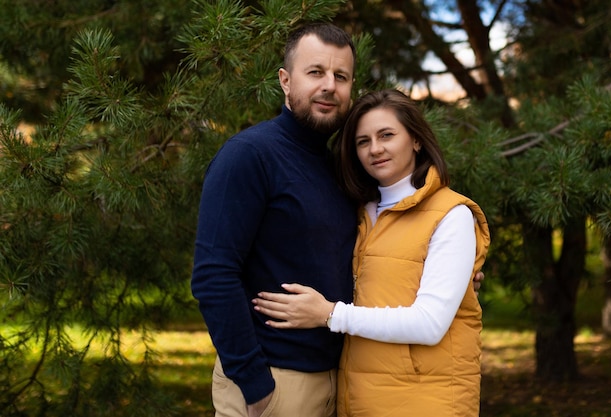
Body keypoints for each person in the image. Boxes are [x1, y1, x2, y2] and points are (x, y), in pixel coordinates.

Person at [191, 23, 484, 417]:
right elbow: (213, 274)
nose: (329, 85)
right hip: (274, 382)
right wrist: (254, 383)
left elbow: (375, 264)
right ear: (285, 80)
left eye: (340, 76)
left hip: (342, 382)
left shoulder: (343, 176)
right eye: (315, 72)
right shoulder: (249, 155)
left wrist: (457, 277)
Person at [252, 89, 490, 417]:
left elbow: (430, 323)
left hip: (426, 400)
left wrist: (329, 314)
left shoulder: (451, 214)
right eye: (363, 141)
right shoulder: (360, 214)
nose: (375, 149)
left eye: (387, 135)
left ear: (416, 140)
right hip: (360, 396)